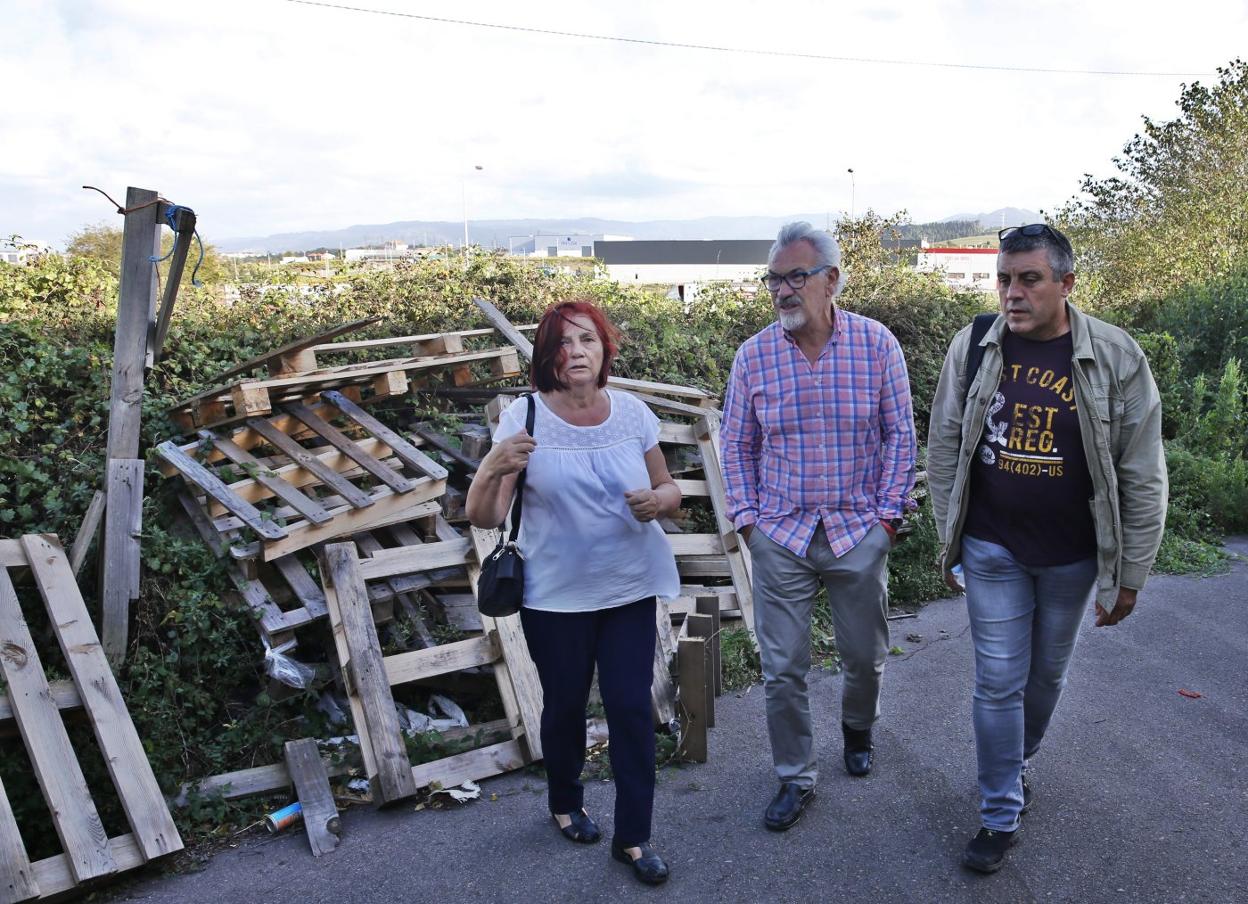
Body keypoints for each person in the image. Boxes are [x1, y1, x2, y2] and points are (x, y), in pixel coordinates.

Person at [926, 223, 1167, 873]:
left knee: (1045, 679)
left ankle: (1017, 760)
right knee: (997, 681)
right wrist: (949, 537)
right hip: (992, 547)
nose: (1013, 293)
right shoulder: (974, 345)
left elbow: (1142, 470)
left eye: (1029, 279)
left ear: (1066, 284)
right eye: (1004, 279)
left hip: (1072, 555)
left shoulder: (1115, 355)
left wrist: (1131, 574)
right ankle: (999, 812)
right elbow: (945, 442)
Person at [465, 299, 681, 886]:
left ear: (604, 348)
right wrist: (491, 466)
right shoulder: (525, 417)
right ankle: (565, 801)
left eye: (587, 339)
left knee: (631, 708)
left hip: (629, 587)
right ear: (547, 356)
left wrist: (657, 502)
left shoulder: (632, 413)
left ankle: (634, 838)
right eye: (562, 342)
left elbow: (669, 489)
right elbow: (485, 516)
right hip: (555, 597)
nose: (576, 351)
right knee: (564, 705)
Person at [719, 221, 917, 832]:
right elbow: (736, 446)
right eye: (774, 279)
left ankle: (858, 730)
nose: (782, 290)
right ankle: (795, 776)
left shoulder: (876, 345)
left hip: (859, 531)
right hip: (781, 536)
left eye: (795, 276)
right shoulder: (753, 357)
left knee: (865, 656)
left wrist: (887, 520)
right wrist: (749, 524)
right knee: (783, 669)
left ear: (831, 280)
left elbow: (899, 437)